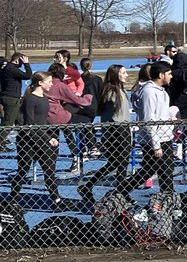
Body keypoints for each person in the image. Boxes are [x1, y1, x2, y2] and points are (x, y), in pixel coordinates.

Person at [117, 61, 175, 199]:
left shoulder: (161, 91)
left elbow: (161, 114)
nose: (171, 76)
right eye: (169, 73)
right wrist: (156, 145)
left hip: (164, 137)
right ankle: (120, 193)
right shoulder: (149, 92)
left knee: (165, 171)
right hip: (154, 140)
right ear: (161, 75)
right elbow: (149, 119)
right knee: (149, 170)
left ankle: (169, 198)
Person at [78, 65, 133, 206]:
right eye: (123, 72)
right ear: (115, 75)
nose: (126, 75)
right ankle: (122, 193)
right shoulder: (111, 91)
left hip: (122, 128)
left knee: (117, 163)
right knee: (120, 164)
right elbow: (109, 113)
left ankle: (89, 186)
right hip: (117, 131)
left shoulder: (119, 90)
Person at [10, 72, 65, 210]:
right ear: (40, 83)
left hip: (41, 138)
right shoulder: (30, 99)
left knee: (49, 171)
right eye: (49, 82)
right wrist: (48, 138)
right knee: (23, 170)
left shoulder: (45, 98)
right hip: (27, 140)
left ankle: (57, 200)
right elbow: (30, 125)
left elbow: (43, 121)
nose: (51, 84)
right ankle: (13, 198)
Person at [0, 52, 31, 131]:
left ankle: (23, 138)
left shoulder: (6, 68)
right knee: (8, 124)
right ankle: (2, 140)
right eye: (21, 62)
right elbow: (28, 75)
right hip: (12, 98)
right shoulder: (11, 69)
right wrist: (26, 64)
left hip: (9, 97)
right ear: (17, 60)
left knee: (20, 121)